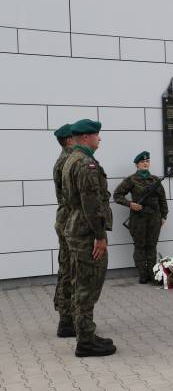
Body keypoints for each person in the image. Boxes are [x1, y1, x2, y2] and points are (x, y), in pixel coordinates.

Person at [62, 119, 116, 357]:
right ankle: (85, 342)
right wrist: (100, 236)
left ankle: (86, 333)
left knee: (79, 283)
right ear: (86, 138)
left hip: (75, 227)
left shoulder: (70, 159)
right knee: (88, 285)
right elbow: (91, 203)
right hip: (86, 232)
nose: (100, 139)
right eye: (96, 135)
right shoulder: (85, 164)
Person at [114, 151, 168, 284]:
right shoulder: (131, 180)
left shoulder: (155, 180)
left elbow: (162, 199)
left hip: (154, 218)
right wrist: (130, 204)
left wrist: (164, 215)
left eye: (147, 161)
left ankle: (152, 274)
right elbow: (117, 195)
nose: (145, 163)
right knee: (140, 246)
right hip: (138, 218)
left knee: (152, 246)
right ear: (137, 164)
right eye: (142, 162)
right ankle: (143, 275)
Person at [52, 124, 75, 338]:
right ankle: (66, 320)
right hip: (69, 220)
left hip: (65, 219)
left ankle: (67, 317)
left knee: (66, 268)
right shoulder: (68, 160)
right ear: (68, 140)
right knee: (69, 270)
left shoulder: (65, 158)